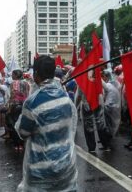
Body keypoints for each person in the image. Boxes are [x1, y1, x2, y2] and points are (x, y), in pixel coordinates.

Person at [15, 55, 78, 191]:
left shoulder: (32, 102)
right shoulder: (65, 98)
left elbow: (22, 132)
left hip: (40, 173)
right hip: (66, 167)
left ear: (36, 74)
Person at [7, 69, 29, 151]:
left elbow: (13, 96)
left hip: (15, 106)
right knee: (21, 124)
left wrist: (9, 107)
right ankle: (22, 144)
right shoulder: (26, 83)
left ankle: (17, 144)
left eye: (13, 75)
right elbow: (27, 94)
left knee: (14, 125)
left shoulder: (14, 83)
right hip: (24, 105)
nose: (12, 76)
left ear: (16, 75)